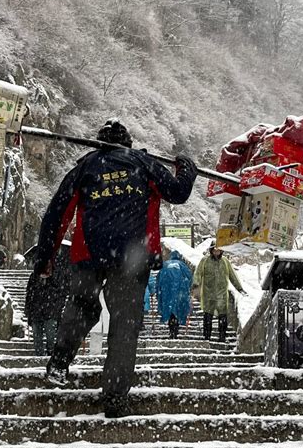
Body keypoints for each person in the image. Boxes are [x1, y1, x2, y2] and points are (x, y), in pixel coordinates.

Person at [32, 118, 197, 418]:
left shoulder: (86, 167)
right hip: (131, 259)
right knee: (124, 325)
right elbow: (178, 192)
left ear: (99, 141)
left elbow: (57, 213)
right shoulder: (143, 163)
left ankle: (58, 361)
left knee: (81, 307)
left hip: (88, 254)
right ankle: (114, 397)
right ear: (128, 143)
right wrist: (186, 168)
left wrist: (46, 259)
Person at [193, 242, 246, 342]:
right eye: (215, 250)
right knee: (207, 315)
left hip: (222, 294)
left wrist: (239, 288)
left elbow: (232, 276)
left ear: (222, 251)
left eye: (218, 250)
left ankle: (222, 336)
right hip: (208, 293)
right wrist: (196, 282)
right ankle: (207, 336)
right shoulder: (205, 261)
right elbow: (198, 272)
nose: (216, 252)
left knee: (223, 315)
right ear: (211, 250)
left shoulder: (225, 261)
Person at [25, 255, 70, 356]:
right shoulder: (34, 277)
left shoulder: (57, 276)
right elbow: (29, 294)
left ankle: (50, 353)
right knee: (37, 337)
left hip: (51, 312)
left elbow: (62, 294)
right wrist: (28, 311)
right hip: (36, 311)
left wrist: (57, 308)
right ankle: (39, 355)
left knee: (51, 336)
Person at [155, 250, 193, 339]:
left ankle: (171, 328)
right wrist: (188, 289)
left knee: (170, 309)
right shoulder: (182, 265)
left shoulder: (164, 265)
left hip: (166, 291)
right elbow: (189, 277)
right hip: (180, 291)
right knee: (178, 309)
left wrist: (158, 291)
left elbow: (158, 279)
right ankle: (175, 329)